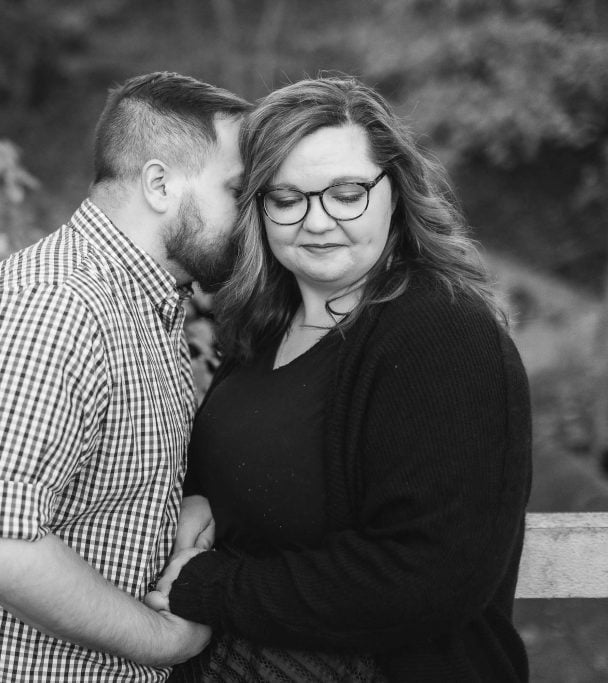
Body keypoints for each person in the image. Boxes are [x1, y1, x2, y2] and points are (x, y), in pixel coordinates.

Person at [0, 71, 253, 682]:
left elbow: (98, 496)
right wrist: (164, 641)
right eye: (237, 192)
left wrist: (184, 507)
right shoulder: (55, 304)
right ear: (161, 184)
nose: (253, 218)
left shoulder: (146, 308)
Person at [147, 75, 533, 682]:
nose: (318, 221)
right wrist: (201, 499)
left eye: (347, 193)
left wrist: (214, 588)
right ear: (259, 209)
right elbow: (257, 476)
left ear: (396, 192)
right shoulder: (262, 329)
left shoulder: (443, 332)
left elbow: (430, 576)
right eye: (287, 198)